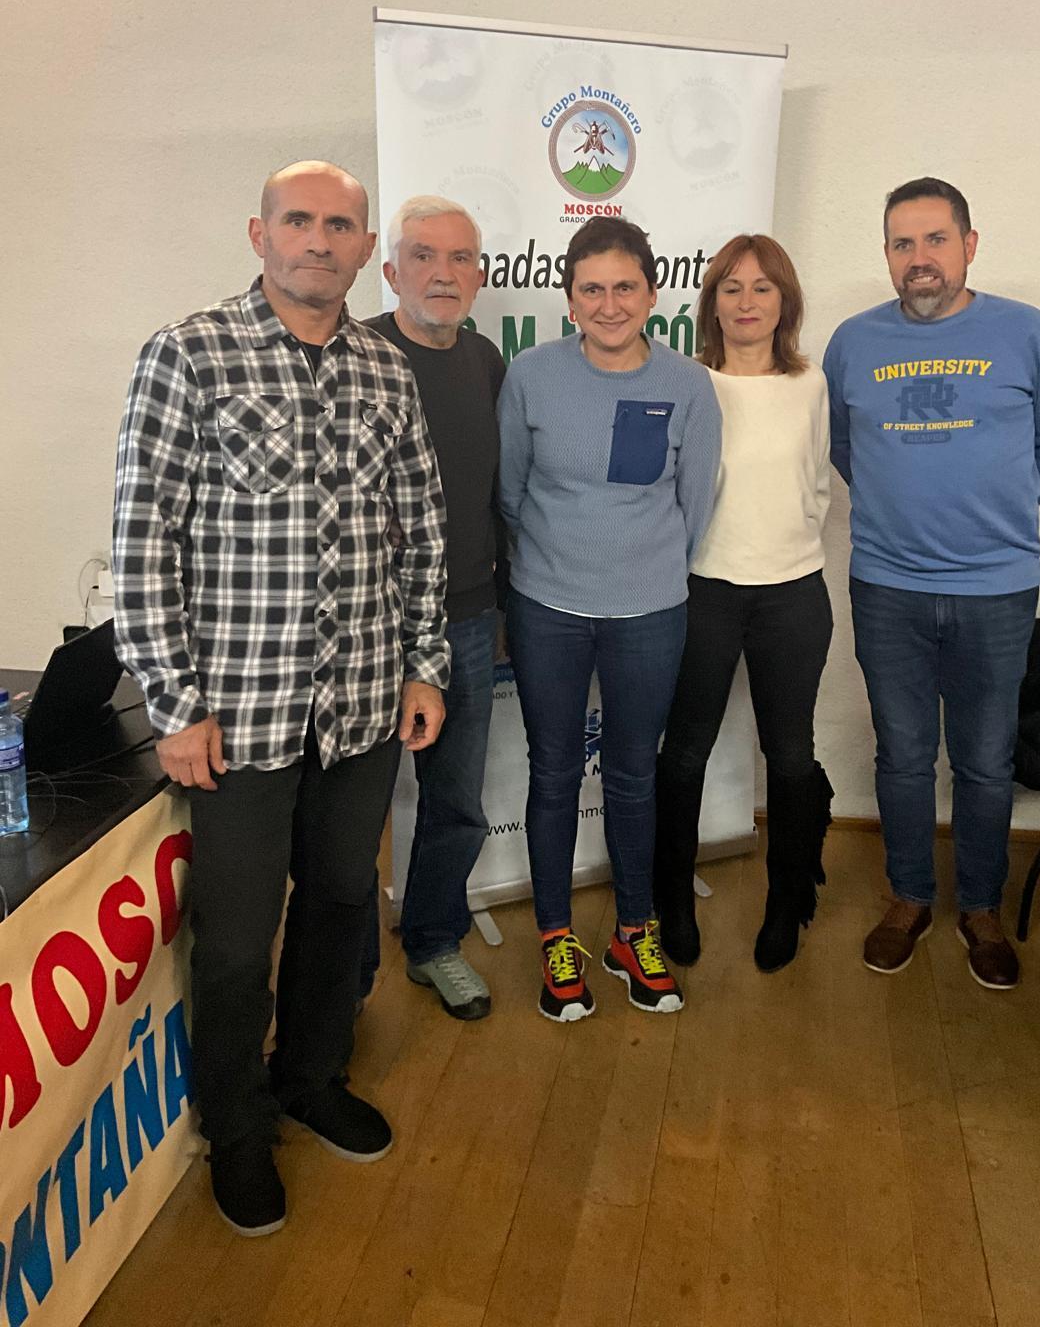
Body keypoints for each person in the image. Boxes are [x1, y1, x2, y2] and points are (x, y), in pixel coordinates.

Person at [112, 161, 451, 1238]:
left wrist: (425, 662)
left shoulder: (386, 372)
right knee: (234, 939)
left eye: (339, 224)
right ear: (258, 233)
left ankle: (311, 1075)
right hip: (238, 717)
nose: (318, 238)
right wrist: (173, 701)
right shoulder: (187, 353)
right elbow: (142, 537)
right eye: (298, 220)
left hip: (359, 706)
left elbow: (425, 528)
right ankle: (238, 1126)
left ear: (364, 251)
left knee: (342, 902)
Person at [823, 177, 1040, 989]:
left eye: (936, 239)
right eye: (902, 243)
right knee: (901, 755)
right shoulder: (852, 342)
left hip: (996, 589)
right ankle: (908, 897)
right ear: (888, 255)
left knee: (983, 756)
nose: (919, 258)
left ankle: (980, 907)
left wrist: (992, 514)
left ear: (970, 245)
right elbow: (842, 445)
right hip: (888, 586)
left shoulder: (1025, 331)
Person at [498, 215, 721, 1021]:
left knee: (633, 775)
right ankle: (557, 936)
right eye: (591, 288)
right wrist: (558, 564)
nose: (609, 302)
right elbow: (511, 491)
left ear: (652, 294)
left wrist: (642, 566)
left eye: (625, 286)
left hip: (649, 610)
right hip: (548, 607)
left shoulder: (689, 383)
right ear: (568, 300)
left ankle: (634, 930)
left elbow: (696, 501)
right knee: (554, 774)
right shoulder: (531, 375)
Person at [654, 235, 834, 975]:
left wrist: (781, 544)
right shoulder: (687, 382)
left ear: (785, 301)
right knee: (685, 753)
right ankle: (670, 902)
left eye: (763, 288)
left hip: (792, 592)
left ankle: (787, 900)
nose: (747, 302)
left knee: (790, 758)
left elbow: (818, 485)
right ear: (711, 303)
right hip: (703, 590)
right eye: (731, 288)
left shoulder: (811, 384)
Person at [359, 195, 505, 1021]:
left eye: (459, 259)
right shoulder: (357, 354)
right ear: (390, 269)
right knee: (354, 810)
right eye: (422, 256)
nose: (442, 274)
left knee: (454, 799)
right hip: (366, 630)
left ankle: (433, 941)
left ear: (479, 275)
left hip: (467, 621)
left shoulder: (486, 362)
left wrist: (503, 609)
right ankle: (339, 978)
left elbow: (500, 496)